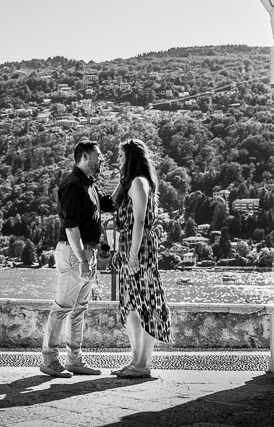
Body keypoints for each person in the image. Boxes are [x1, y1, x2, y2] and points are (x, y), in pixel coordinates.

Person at [40, 139, 116, 377]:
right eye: (98, 155)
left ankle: (74, 360)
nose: (102, 159)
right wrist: (83, 259)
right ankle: (49, 360)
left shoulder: (90, 184)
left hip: (86, 253)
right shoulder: (73, 185)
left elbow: (111, 204)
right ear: (84, 157)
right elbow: (71, 227)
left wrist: (126, 180)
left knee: (79, 309)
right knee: (63, 307)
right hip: (75, 253)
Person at [111, 138, 172, 378]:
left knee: (145, 305)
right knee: (132, 307)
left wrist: (133, 254)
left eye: (122, 157)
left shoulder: (138, 182)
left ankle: (143, 364)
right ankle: (136, 361)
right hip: (130, 247)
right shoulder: (130, 183)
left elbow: (138, 221)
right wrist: (121, 251)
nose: (119, 161)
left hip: (140, 250)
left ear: (131, 159)